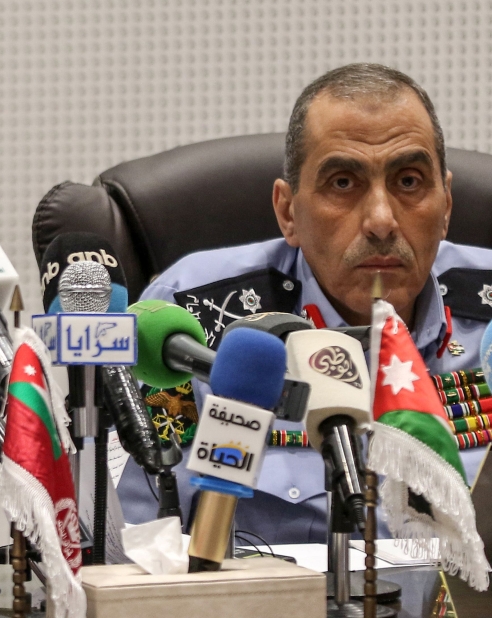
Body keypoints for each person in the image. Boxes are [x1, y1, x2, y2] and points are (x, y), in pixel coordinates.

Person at [117, 63, 492, 544]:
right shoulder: (193, 320)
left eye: (409, 182)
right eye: (342, 183)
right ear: (287, 211)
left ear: (446, 208)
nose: (381, 220)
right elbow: (139, 542)